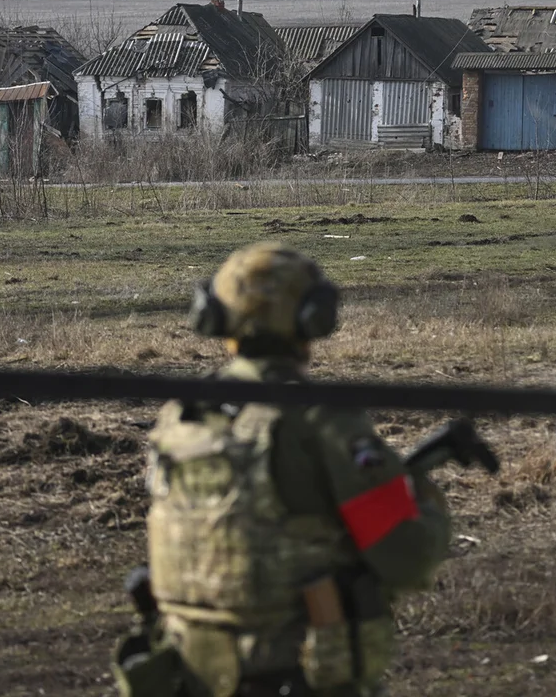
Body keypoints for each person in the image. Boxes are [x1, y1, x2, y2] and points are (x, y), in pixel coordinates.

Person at [112, 241, 453, 697]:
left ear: (215, 316)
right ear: (314, 318)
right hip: (295, 679)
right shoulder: (319, 420)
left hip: (184, 678)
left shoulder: (179, 418)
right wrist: (424, 497)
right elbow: (407, 557)